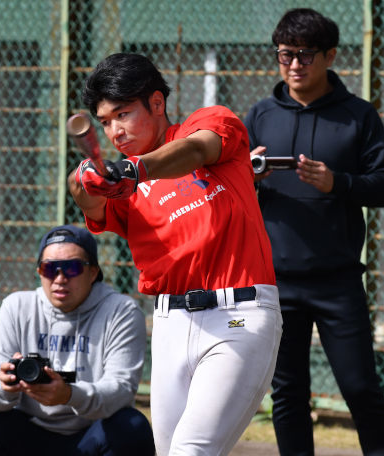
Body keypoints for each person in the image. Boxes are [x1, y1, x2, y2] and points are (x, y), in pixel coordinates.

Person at [68, 52, 283, 456]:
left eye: (123, 114)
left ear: (156, 103)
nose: (115, 131)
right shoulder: (123, 183)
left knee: (191, 449)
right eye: (105, 122)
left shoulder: (210, 122)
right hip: (170, 322)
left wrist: (133, 171)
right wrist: (84, 179)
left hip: (238, 315)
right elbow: (86, 197)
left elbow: (197, 150)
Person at [243, 8, 384, 456]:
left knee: (360, 387)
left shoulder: (357, 116)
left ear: (330, 56)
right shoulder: (261, 114)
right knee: (288, 393)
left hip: (338, 279)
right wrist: (246, 179)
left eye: (306, 55)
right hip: (276, 280)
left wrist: (338, 183)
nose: (294, 65)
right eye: (285, 55)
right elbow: (227, 191)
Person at [0, 224, 154, 455]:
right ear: (39, 272)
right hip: (28, 431)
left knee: (131, 427)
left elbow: (121, 389)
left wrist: (69, 395)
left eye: (73, 268)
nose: (60, 278)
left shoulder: (121, 311)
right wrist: (6, 387)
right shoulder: (17, 307)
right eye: (50, 269)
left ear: (94, 272)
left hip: (90, 435)